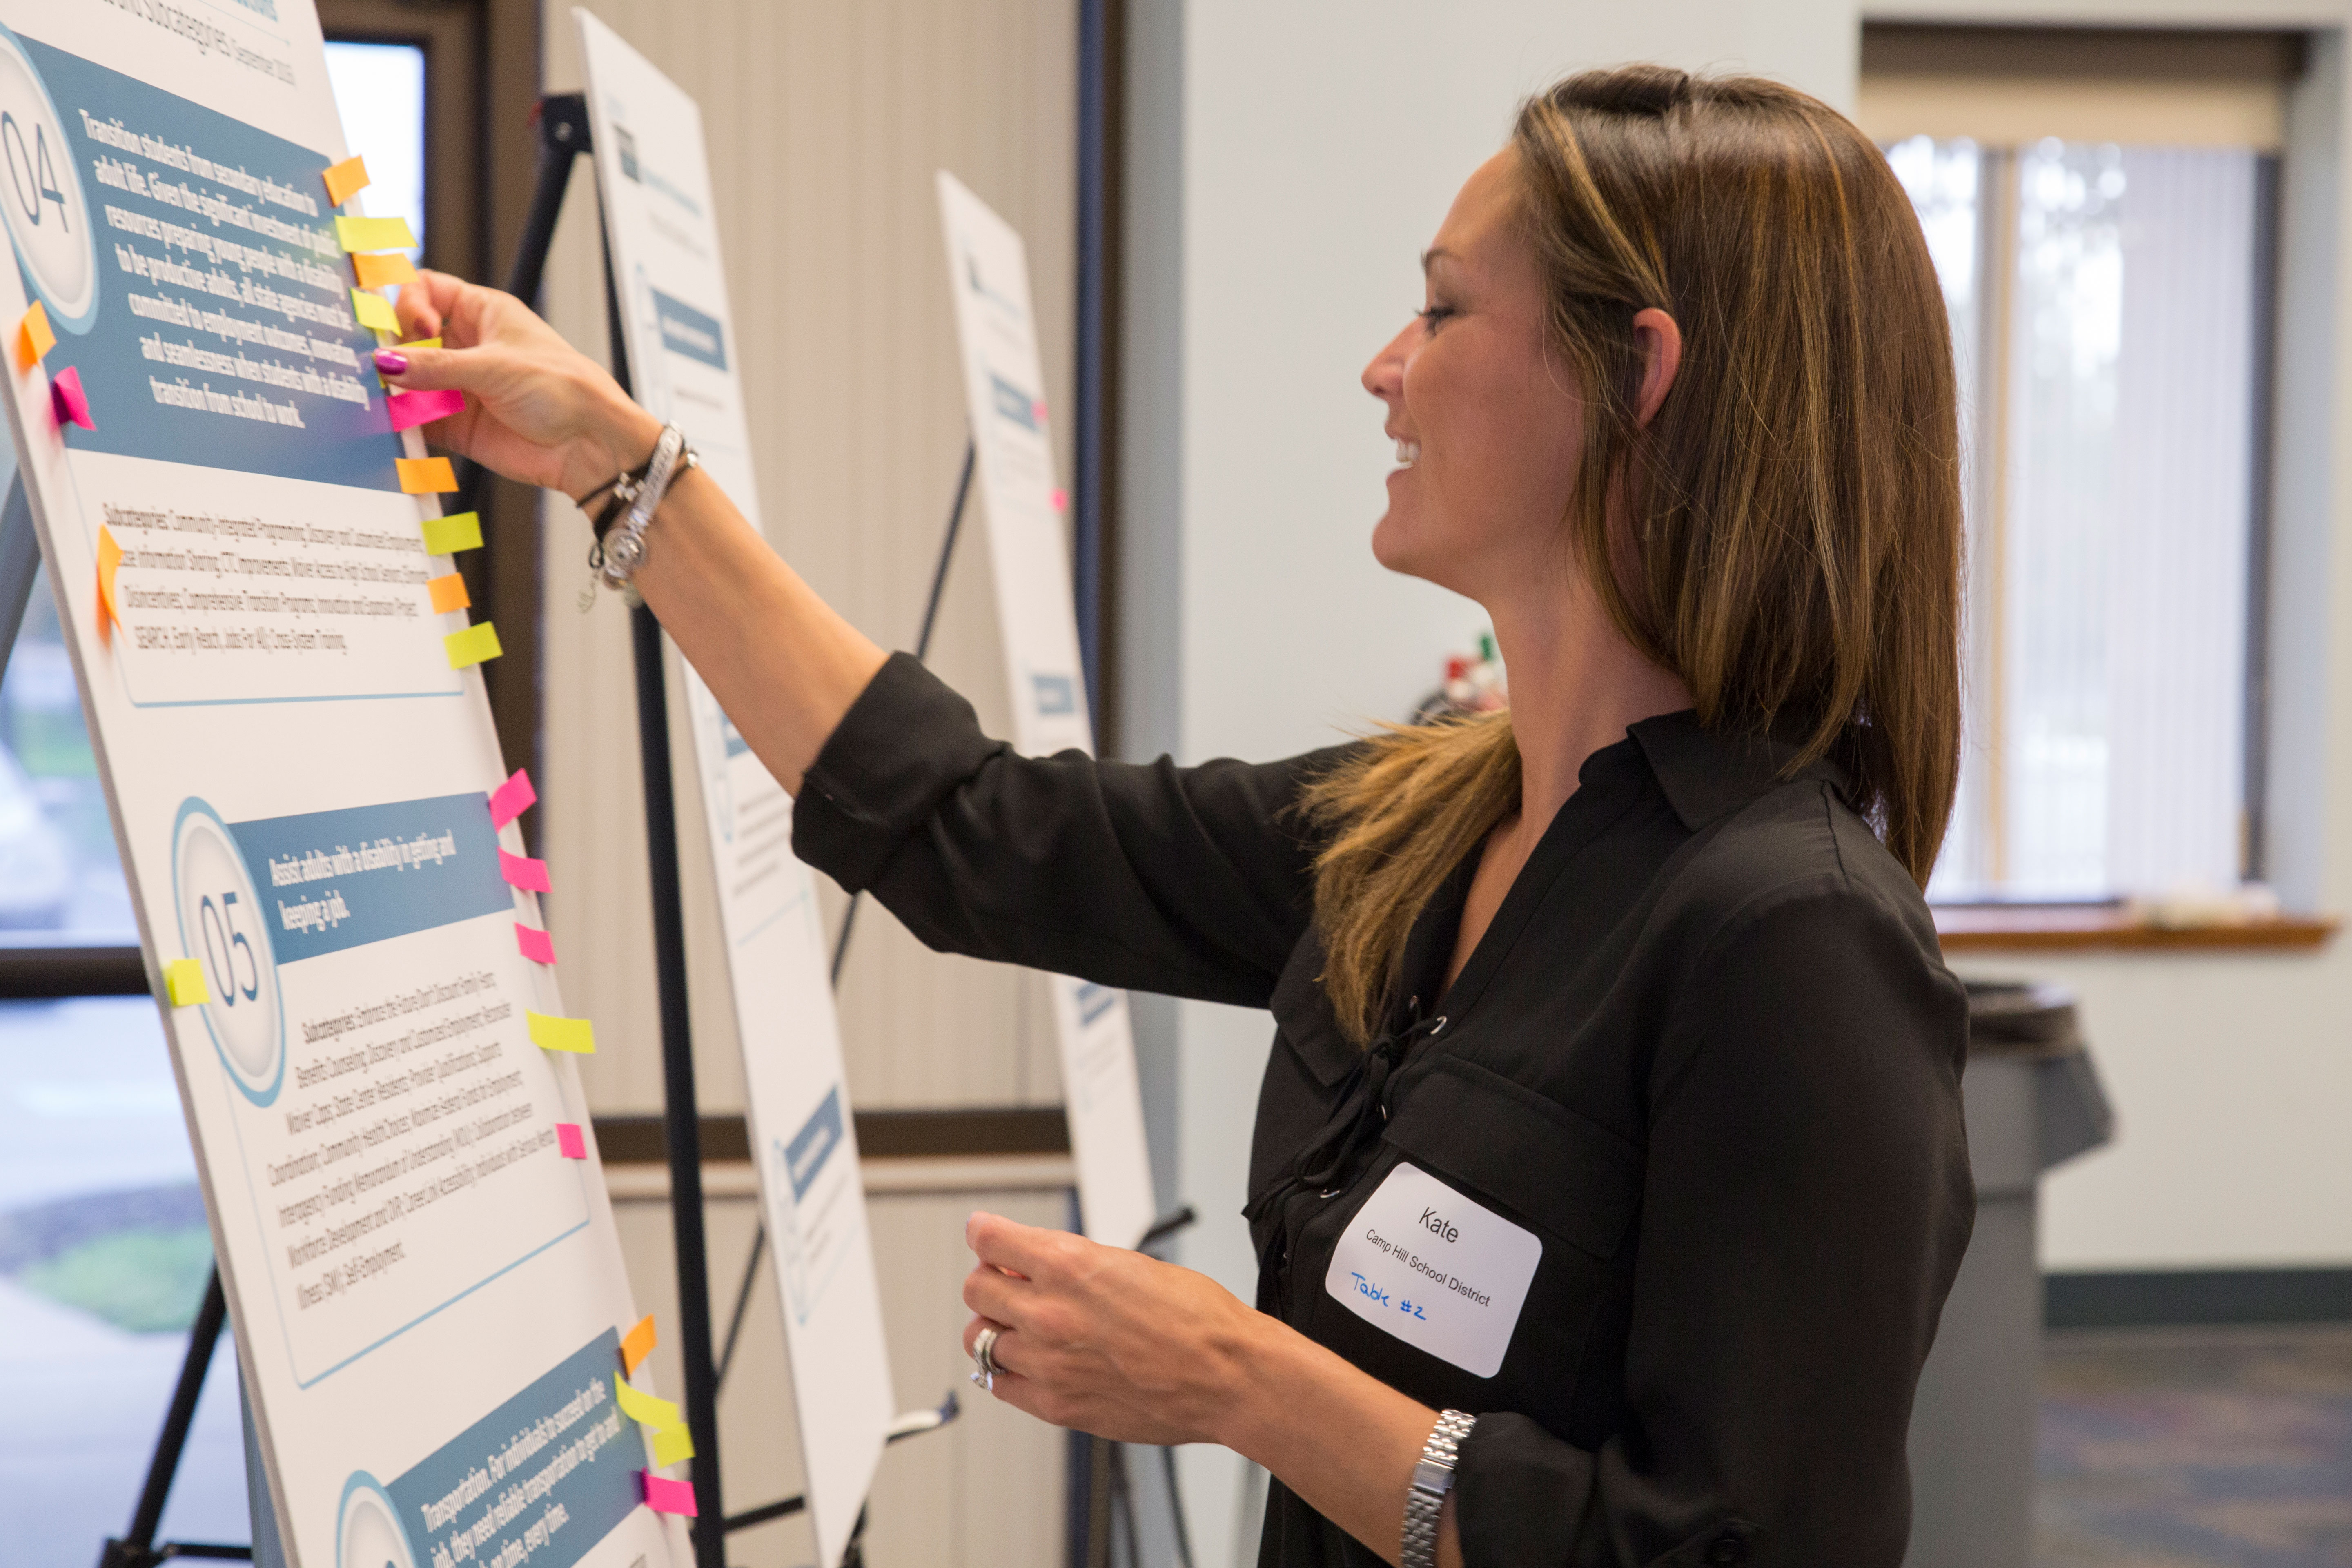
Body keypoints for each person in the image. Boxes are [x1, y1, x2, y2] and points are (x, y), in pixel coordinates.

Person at [383, 63, 1973, 1568]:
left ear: (1638, 373)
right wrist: (620, 464)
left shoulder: (1791, 938)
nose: (1384, 365)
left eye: (1440, 307)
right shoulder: (1422, 820)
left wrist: (1238, 1378)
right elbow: (969, 828)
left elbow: (1737, 1543)